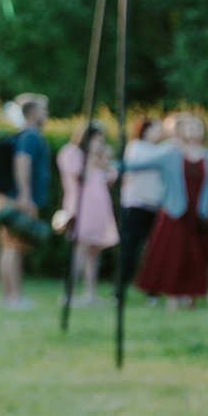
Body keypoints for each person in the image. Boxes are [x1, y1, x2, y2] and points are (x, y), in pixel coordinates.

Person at [124, 112, 208, 310]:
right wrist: (111, 165)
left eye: (197, 126)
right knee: (173, 256)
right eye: (189, 127)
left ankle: (192, 297)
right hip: (176, 212)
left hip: (198, 215)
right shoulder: (171, 154)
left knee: (196, 256)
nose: (193, 131)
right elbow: (139, 165)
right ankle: (172, 299)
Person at [0, 94, 53, 310]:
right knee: (15, 248)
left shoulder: (20, 136)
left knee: (7, 247)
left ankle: (7, 297)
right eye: (44, 109)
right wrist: (25, 196)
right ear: (32, 113)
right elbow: (22, 161)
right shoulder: (31, 136)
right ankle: (15, 298)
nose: (47, 113)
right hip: (16, 199)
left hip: (6, 198)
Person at [54, 120, 121, 306]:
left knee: (94, 250)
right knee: (80, 249)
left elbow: (112, 176)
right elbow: (75, 172)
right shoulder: (72, 153)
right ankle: (69, 293)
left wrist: (103, 161)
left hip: (100, 208)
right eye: (96, 139)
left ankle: (90, 293)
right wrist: (93, 160)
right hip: (81, 208)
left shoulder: (100, 158)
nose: (99, 143)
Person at [116, 116, 167, 293]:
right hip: (136, 204)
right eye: (156, 128)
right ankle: (120, 287)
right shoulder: (136, 147)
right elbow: (139, 164)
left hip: (153, 205)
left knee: (153, 249)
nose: (160, 132)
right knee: (130, 247)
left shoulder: (159, 150)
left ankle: (151, 288)